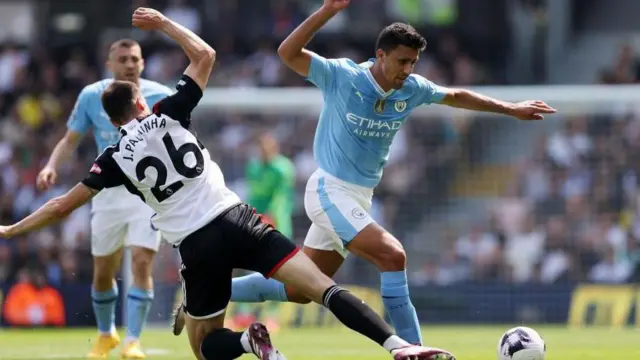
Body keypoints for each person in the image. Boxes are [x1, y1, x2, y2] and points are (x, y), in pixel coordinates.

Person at [0, 7, 453, 360]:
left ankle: (245, 343)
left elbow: (62, 206)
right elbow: (206, 55)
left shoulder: (112, 158)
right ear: (140, 100)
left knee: (204, 347)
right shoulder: (168, 111)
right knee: (323, 289)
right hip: (240, 219)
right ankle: (400, 347)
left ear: (110, 118)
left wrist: (11, 230)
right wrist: (163, 24)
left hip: (197, 246)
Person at [225, 0, 556, 348]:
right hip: (328, 189)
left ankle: (210, 287)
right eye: (402, 61)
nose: (407, 70)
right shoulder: (343, 76)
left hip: (358, 196)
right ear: (380, 55)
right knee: (393, 255)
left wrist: (511, 108)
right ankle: (414, 351)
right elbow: (287, 52)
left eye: (413, 63)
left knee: (299, 289)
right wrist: (327, 11)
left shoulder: (411, 88)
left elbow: (456, 95)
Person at [36, 37, 173, 358]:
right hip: (106, 192)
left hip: (145, 194)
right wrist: (51, 165)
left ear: (142, 63)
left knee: (142, 262)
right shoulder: (91, 96)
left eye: (134, 59)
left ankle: (133, 341)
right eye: (122, 58)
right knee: (103, 272)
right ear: (109, 63)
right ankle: (106, 334)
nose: (129, 64)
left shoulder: (161, 96)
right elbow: (70, 140)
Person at [230, 132, 296, 331]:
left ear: (273, 147)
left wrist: (272, 217)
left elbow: (282, 197)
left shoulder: (283, 168)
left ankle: (272, 316)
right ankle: (243, 313)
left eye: (266, 147)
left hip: (277, 224)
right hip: (256, 222)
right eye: (260, 148)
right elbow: (253, 194)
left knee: (278, 271)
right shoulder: (254, 166)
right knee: (247, 266)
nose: (263, 151)